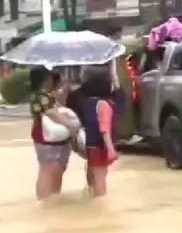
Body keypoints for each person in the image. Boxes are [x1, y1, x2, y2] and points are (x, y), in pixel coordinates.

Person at [29, 67, 80, 200]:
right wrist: (70, 125)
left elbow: (58, 106)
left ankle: (53, 199)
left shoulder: (47, 95)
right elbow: (51, 113)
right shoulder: (41, 97)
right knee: (48, 170)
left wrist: (64, 87)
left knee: (56, 170)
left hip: (53, 138)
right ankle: (45, 201)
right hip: (45, 138)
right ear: (45, 79)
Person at [72, 68, 119, 197]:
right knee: (101, 179)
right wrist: (110, 148)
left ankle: (91, 198)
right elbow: (104, 128)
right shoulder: (104, 104)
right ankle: (100, 204)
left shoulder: (88, 103)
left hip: (90, 145)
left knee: (92, 174)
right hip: (100, 146)